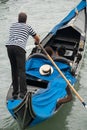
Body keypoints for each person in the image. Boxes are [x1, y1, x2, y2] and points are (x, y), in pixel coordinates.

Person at [6, 12, 40, 99]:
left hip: (9, 47)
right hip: (19, 48)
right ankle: (23, 93)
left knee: (14, 70)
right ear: (26, 20)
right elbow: (36, 38)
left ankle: (15, 93)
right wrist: (37, 42)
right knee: (22, 71)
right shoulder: (28, 27)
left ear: (18, 19)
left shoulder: (13, 25)